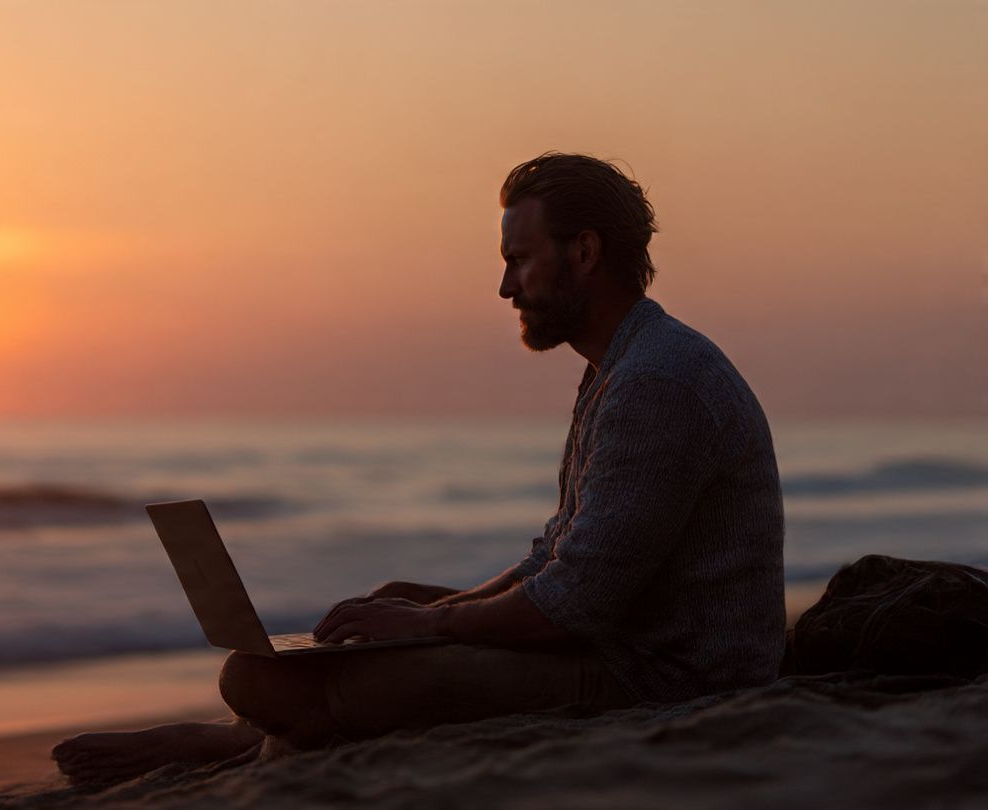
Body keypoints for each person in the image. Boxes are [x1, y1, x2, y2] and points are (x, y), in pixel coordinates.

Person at [52, 151, 785, 786]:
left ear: (584, 253)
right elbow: (556, 557)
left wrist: (434, 628)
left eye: (519, 260)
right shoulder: (619, 369)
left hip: (661, 678)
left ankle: (238, 744)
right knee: (377, 609)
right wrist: (426, 613)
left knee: (278, 676)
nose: (506, 288)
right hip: (611, 641)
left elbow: (573, 601)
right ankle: (263, 733)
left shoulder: (655, 383)